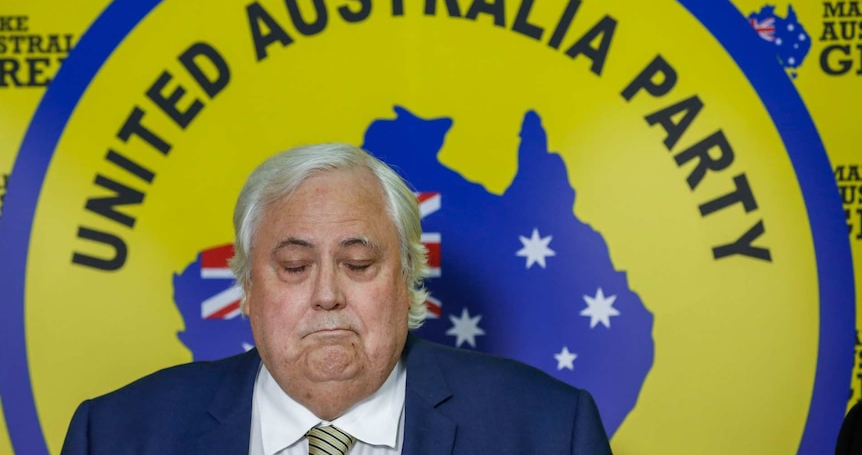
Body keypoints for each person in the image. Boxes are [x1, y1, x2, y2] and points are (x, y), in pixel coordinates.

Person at [61, 143, 613, 454]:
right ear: (248, 287)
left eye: (358, 265)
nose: (327, 295)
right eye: (295, 267)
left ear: (408, 277)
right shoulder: (115, 436)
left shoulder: (548, 431)